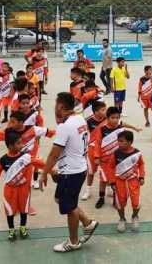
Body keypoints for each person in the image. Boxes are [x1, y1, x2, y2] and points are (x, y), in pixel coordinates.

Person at [39, 92, 99, 253]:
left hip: (71, 172)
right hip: (78, 167)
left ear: (60, 106)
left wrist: (44, 173)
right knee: (60, 199)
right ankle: (88, 223)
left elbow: (54, 154)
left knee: (70, 207)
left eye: (56, 104)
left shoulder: (65, 127)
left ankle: (73, 242)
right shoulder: (79, 119)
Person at [0, 130, 46, 241]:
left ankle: (23, 228)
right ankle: (11, 230)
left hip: (24, 190)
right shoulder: (3, 160)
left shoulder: (26, 157)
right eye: (18, 143)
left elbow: (40, 163)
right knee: (10, 211)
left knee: (24, 210)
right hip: (10, 191)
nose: (22, 145)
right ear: (10, 146)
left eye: (21, 142)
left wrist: (52, 170)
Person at [92, 106, 141, 208]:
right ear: (107, 118)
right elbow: (97, 143)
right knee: (103, 180)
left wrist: (135, 128)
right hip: (104, 161)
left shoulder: (120, 128)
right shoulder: (102, 129)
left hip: (117, 161)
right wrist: (97, 157)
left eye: (117, 118)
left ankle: (116, 198)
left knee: (116, 181)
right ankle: (101, 197)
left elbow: (126, 139)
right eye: (112, 118)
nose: (115, 120)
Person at [108, 131, 145, 232]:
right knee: (120, 202)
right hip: (119, 182)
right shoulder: (116, 153)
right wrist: (112, 182)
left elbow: (141, 164)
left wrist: (141, 177)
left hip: (133, 181)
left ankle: (135, 216)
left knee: (136, 202)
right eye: (118, 141)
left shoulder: (137, 153)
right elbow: (110, 167)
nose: (118, 143)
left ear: (130, 142)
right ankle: (122, 219)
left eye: (121, 141)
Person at [81, 101, 108, 201]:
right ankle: (88, 190)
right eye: (103, 110)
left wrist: (134, 128)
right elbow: (83, 136)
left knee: (106, 170)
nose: (105, 111)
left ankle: (109, 188)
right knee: (91, 171)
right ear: (96, 112)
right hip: (92, 149)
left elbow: (119, 124)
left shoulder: (108, 119)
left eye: (105, 109)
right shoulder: (88, 121)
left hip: (104, 149)